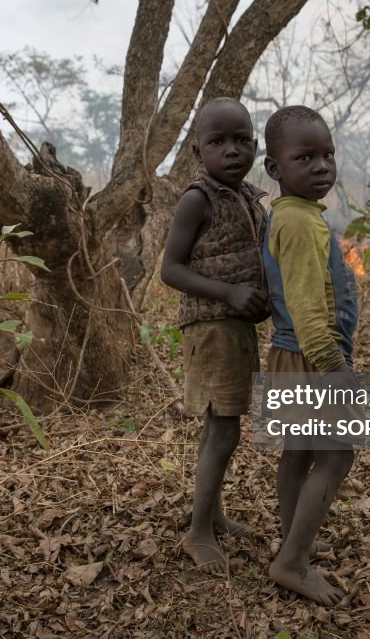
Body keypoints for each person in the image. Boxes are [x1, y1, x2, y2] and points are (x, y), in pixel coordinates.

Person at [160, 97, 270, 574]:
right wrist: (227, 291)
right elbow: (170, 270)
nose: (232, 151)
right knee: (222, 430)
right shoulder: (196, 198)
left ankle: (212, 514)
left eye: (242, 141)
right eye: (218, 142)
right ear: (196, 150)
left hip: (236, 327)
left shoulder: (247, 195)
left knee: (222, 428)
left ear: (256, 145)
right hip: (211, 327)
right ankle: (198, 532)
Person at [261, 105, 359, 605]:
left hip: (290, 355)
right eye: (306, 157)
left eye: (328, 155)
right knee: (337, 455)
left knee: (298, 452)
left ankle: (294, 537)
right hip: (308, 358)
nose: (322, 166)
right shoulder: (299, 223)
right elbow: (305, 307)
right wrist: (335, 369)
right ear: (275, 170)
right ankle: (293, 561)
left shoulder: (293, 214)